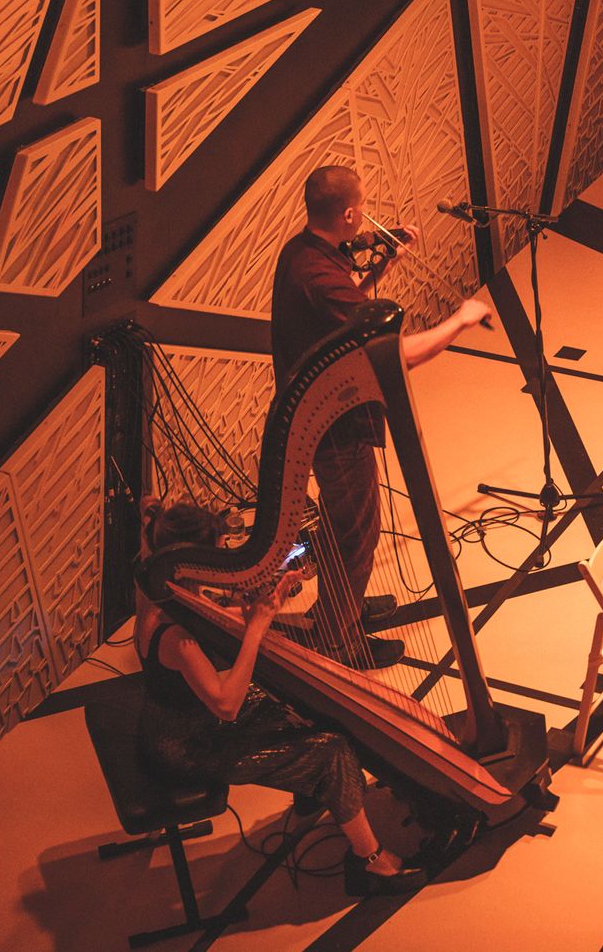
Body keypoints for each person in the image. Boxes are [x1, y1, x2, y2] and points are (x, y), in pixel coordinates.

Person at [135, 498, 427, 895]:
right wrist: (257, 627)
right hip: (190, 746)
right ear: (191, 563)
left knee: (305, 705)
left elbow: (213, 615)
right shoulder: (175, 636)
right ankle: (369, 862)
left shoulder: (160, 589)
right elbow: (226, 705)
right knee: (332, 749)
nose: (222, 566)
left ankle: (316, 791)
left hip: (179, 719)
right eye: (216, 558)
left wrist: (265, 607)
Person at [270, 165, 493, 670]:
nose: (367, 216)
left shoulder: (301, 252)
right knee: (356, 531)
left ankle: (339, 606)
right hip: (333, 425)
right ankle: (339, 640)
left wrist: (383, 264)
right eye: (363, 207)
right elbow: (399, 354)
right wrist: (460, 320)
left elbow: (345, 313)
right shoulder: (319, 278)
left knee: (346, 524)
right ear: (349, 214)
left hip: (329, 412)